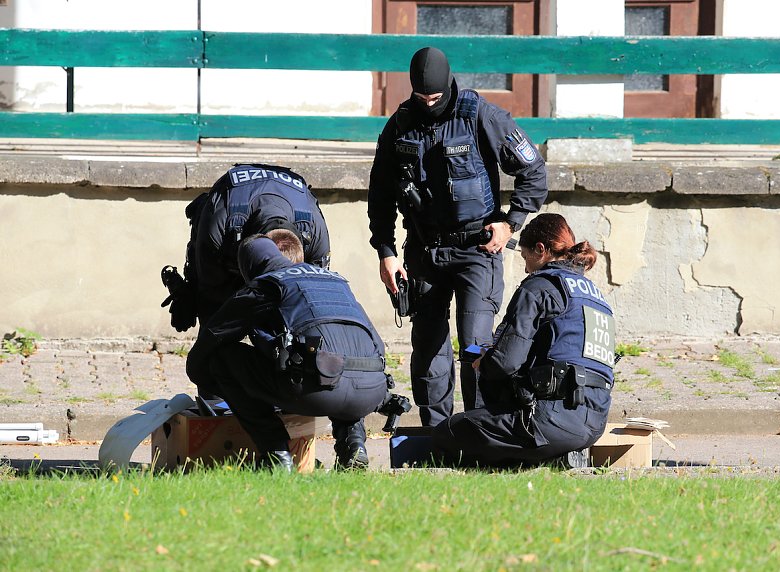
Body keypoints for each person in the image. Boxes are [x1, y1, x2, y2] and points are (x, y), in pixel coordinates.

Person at [367, 46, 548, 426]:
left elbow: (533, 170)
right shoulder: (399, 124)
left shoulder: (481, 115)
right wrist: (386, 252)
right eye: (421, 97)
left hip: (476, 249)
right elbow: (380, 195)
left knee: (475, 345)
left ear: (447, 85)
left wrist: (510, 222)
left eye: (434, 97)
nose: (429, 103)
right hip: (424, 251)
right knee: (429, 349)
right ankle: (438, 435)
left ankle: (480, 430)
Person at [186, 233, 399, 470]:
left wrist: (203, 377)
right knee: (338, 357)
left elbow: (214, 335)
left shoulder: (267, 283)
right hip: (372, 390)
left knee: (222, 359)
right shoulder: (336, 280)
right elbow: (375, 342)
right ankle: (354, 445)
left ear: (249, 266)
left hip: (318, 391)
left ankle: (276, 454)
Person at [432, 213, 616, 468]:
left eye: (526, 257)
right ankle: (555, 455)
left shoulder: (539, 286)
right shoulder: (596, 297)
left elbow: (504, 364)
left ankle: (531, 459)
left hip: (549, 422)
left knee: (446, 433)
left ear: (540, 250)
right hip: (594, 425)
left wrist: (485, 360)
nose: (527, 267)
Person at [164, 163, 331, 332]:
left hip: (264, 220)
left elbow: (315, 295)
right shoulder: (219, 226)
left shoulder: (314, 233)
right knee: (214, 325)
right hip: (228, 239)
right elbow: (210, 292)